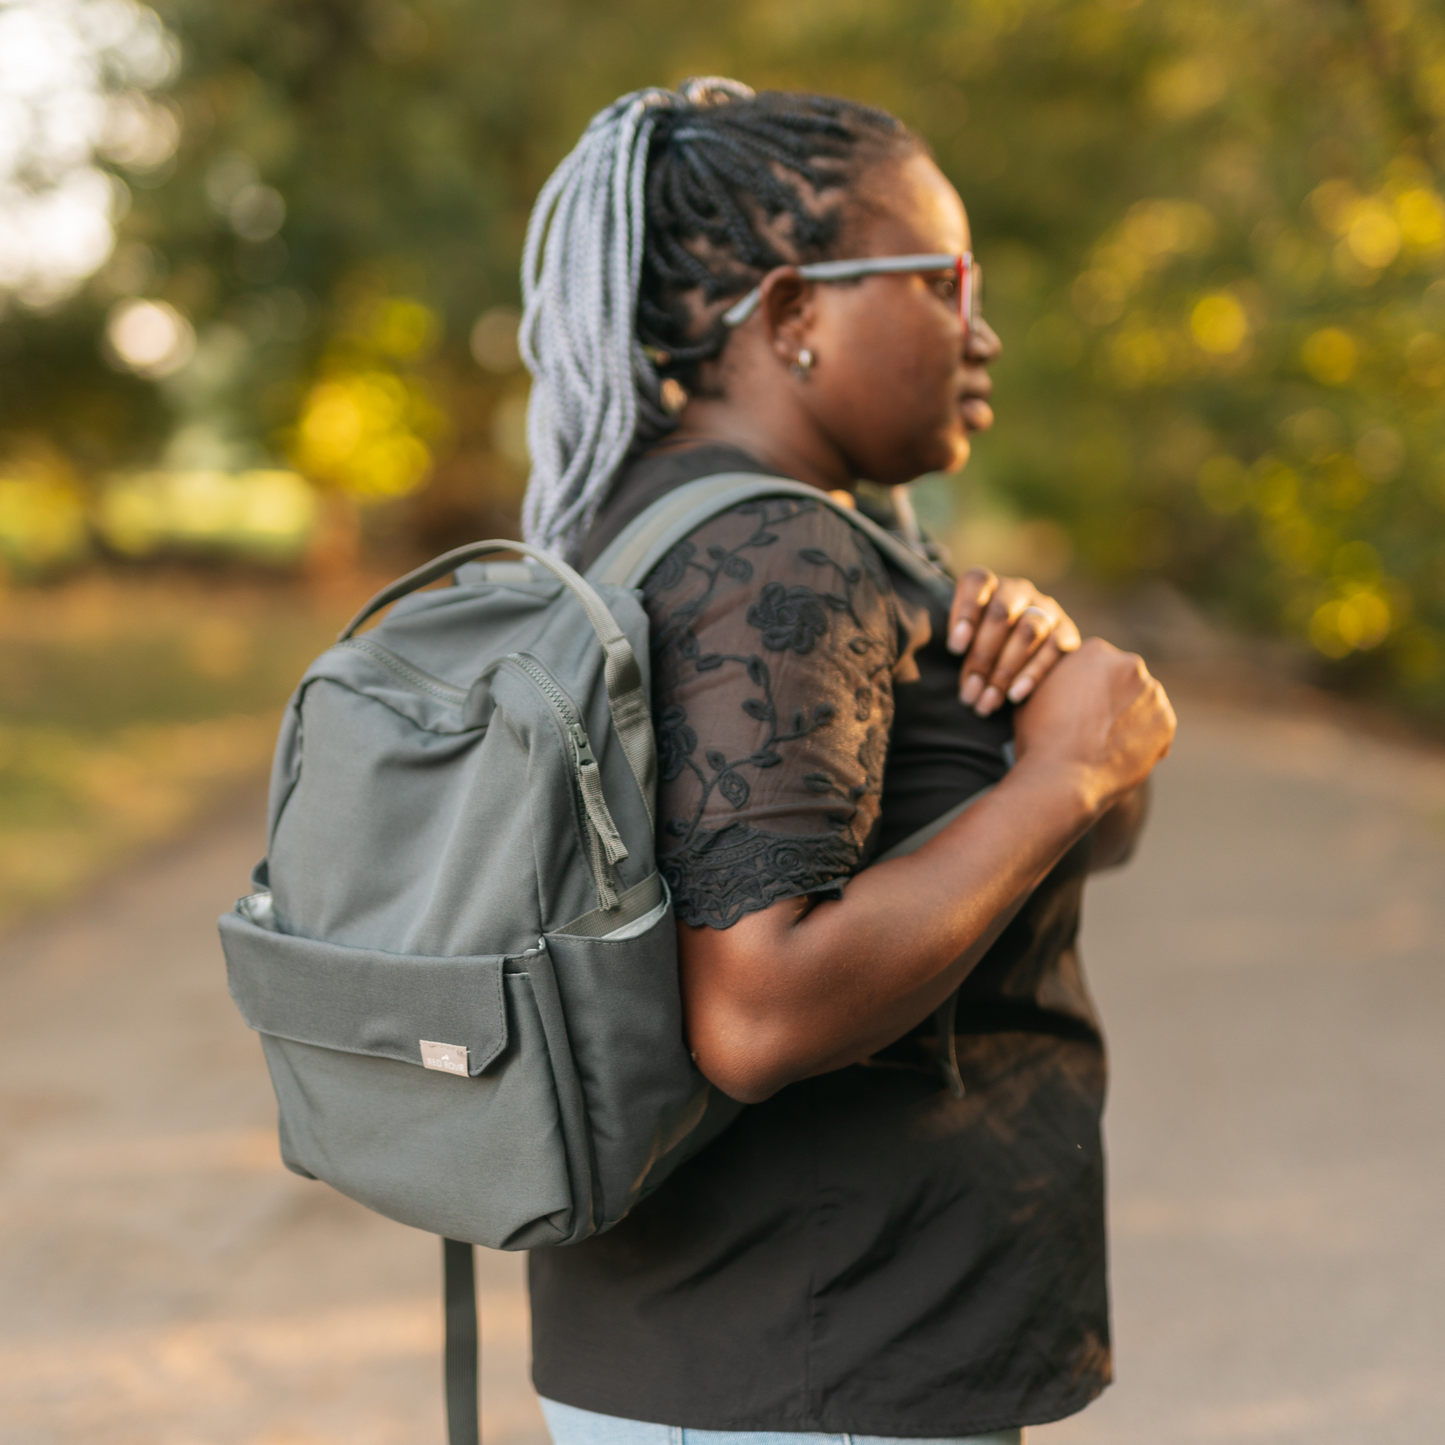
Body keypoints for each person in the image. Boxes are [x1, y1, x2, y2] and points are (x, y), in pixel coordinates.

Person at [518, 79, 1176, 1445]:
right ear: (792, 313)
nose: (981, 331)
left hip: (733, 1350)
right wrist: (1064, 775)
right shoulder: (772, 553)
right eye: (943, 281)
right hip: (809, 1370)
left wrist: (1051, 719)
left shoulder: (679, 527)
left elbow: (1059, 833)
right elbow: (758, 1013)